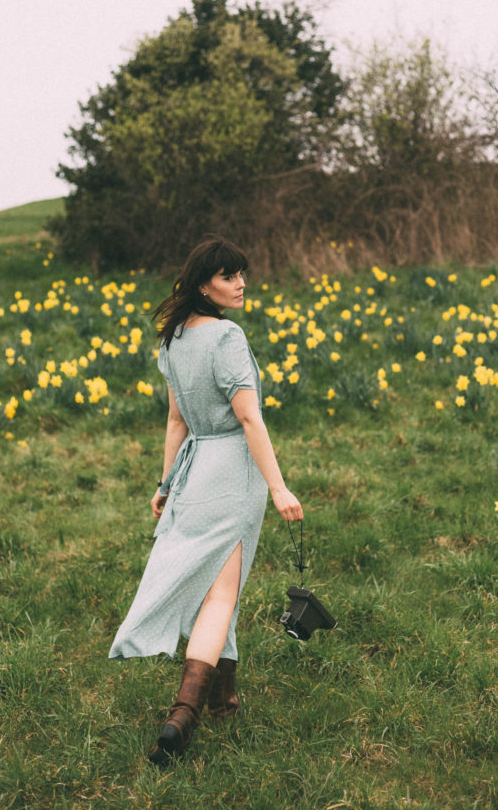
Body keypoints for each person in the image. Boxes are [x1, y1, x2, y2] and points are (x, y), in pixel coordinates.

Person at [108, 237, 303, 767]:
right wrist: (280, 486)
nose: (240, 283)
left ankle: (225, 698)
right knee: (220, 595)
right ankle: (182, 716)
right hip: (231, 473)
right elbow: (248, 419)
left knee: (218, 586)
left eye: (241, 273)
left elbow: (176, 421)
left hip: (193, 474)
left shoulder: (172, 340)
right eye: (227, 276)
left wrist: (166, 483)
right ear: (203, 285)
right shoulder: (226, 336)